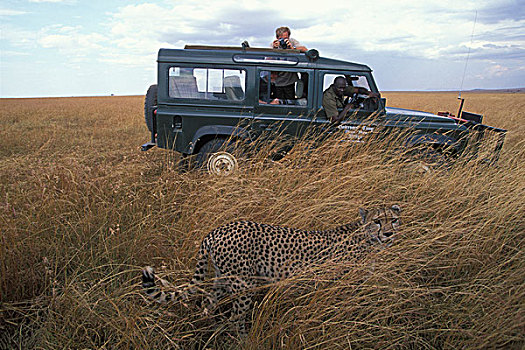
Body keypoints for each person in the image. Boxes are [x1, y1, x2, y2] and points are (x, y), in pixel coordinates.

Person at [270, 27, 307, 100]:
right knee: (278, 102)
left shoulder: (292, 42)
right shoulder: (274, 45)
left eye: (286, 38)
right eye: (281, 38)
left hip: (290, 81)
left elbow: (305, 49)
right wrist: (274, 49)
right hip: (277, 81)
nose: (283, 40)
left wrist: (292, 48)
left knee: (290, 102)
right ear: (277, 38)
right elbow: (267, 61)